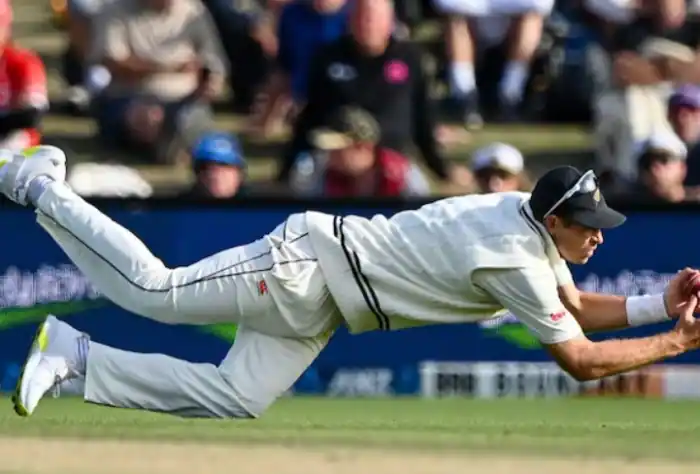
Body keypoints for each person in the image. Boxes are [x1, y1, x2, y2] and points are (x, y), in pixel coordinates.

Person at [4, 145, 700, 419]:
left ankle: (74, 360)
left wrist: (656, 303)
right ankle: (44, 188)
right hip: (306, 266)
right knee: (155, 290)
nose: (598, 236)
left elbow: (574, 305)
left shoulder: (521, 219)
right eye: (587, 225)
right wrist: (676, 343)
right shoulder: (511, 255)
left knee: (237, 396)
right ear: (552, 220)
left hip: (327, 304)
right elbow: (578, 358)